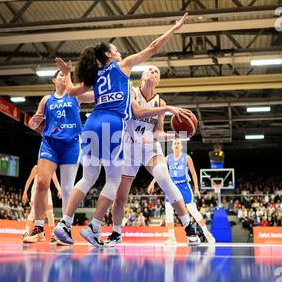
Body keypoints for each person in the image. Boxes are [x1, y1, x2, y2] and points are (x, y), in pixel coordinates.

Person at [53, 13, 197, 246]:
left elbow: (72, 93)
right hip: (117, 132)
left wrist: (68, 74)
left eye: (156, 72)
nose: (120, 51)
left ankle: (65, 224)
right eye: (116, 49)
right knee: (114, 184)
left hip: (99, 126)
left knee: (91, 177)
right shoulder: (125, 74)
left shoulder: (98, 77)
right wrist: (175, 28)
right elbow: (152, 48)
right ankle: (101, 228)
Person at [103, 64, 200, 247]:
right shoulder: (130, 92)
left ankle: (188, 226)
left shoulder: (160, 102)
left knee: (165, 179)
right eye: (150, 70)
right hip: (129, 148)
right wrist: (168, 109)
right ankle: (116, 232)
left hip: (150, 147)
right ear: (143, 76)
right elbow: (138, 112)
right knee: (121, 196)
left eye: (156, 71)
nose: (153, 72)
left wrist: (177, 136)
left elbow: (159, 133)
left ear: (158, 80)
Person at [24, 70, 93, 244]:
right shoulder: (47, 100)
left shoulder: (75, 95)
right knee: (41, 183)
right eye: (60, 75)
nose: (64, 76)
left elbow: (94, 96)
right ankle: (38, 229)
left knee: (68, 188)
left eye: (66, 74)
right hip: (50, 143)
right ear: (54, 80)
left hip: (71, 144)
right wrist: (33, 122)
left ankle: (64, 230)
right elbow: (35, 121)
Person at [148, 138, 215, 245]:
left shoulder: (187, 158)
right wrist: (152, 183)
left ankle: (207, 233)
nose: (176, 145)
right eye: (175, 143)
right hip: (172, 186)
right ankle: (171, 238)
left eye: (178, 143)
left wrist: (196, 188)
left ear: (182, 146)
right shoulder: (167, 158)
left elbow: (193, 173)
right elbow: (160, 172)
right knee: (168, 212)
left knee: (193, 211)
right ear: (172, 146)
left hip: (184, 186)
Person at [22, 165, 61, 243]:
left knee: (49, 213)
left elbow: (55, 181)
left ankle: (52, 234)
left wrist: (59, 189)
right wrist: (25, 192)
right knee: (33, 211)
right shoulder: (36, 168)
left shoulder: (51, 168)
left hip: (46, 191)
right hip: (35, 191)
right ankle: (25, 232)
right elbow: (29, 180)